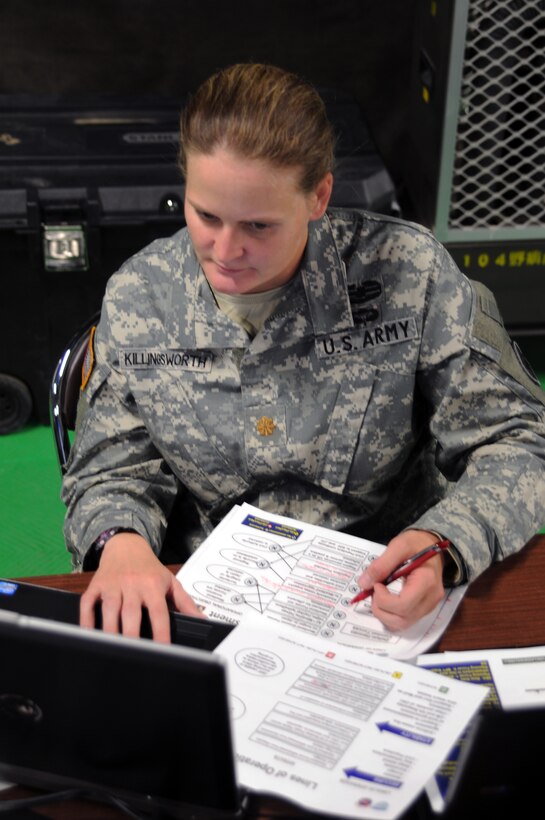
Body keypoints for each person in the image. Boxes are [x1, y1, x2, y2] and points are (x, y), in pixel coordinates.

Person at [62, 62, 545, 643]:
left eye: (259, 225)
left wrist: (445, 542)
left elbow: (521, 441)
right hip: (206, 599)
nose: (225, 251)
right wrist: (121, 542)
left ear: (319, 196)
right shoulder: (142, 294)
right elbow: (110, 469)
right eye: (205, 215)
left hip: (379, 598)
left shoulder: (407, 275)